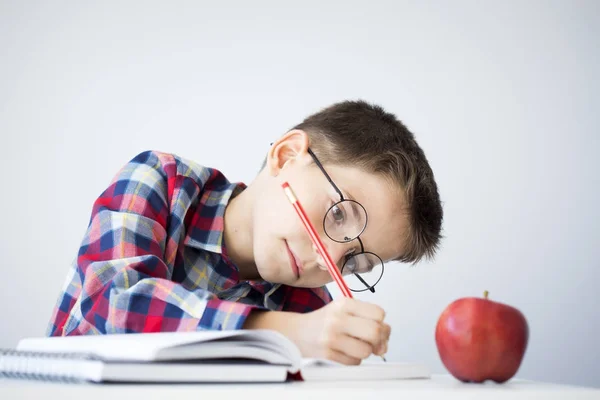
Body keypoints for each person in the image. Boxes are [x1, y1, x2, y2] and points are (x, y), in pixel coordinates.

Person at [46, 100, 444, 365]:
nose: (326, 260)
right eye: (340, 215)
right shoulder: (160, 182)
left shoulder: (308, 308)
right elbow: (109, 308)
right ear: (286, 156)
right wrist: (278, 333)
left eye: (353, 261)